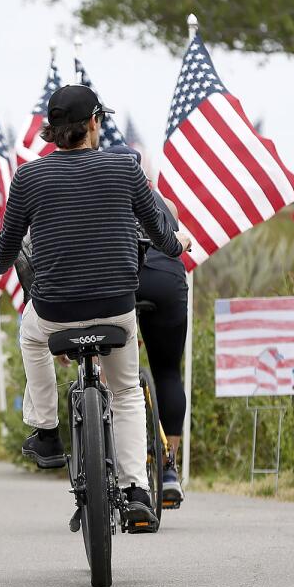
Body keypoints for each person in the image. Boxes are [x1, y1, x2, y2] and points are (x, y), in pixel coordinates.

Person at [0, 84, 191, 531]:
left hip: (55, 310)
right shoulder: (124, 166)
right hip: (116, 307)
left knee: (30, 334)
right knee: (128, 391)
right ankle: (137, 491)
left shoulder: (28, 178)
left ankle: (48, 434)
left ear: (51, 132)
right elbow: (160, 234)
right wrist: (178, 243)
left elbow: (6, 251)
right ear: (94, 122)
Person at [104, 144, 188, 507]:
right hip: (165, 282)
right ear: (144, 175)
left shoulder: (102, 195)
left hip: (119, 282)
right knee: (168, 371)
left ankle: (110, 455)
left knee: (111, 373)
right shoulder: (163, 203)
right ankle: (170, 470)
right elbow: (176, 242)